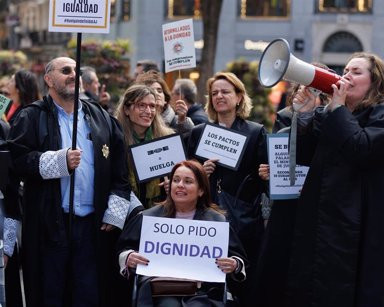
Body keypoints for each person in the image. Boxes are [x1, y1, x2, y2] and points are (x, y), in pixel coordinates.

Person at [282, 52, 384, 307]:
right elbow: (303, 154)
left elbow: (361, 149)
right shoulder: (331, 112)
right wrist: (306, 115)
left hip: (368, 224)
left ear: (375, 81)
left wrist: (338, 110)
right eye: (345, 71)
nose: (347, 76)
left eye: (356, 72)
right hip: (331, 222)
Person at [7, 57, 132, 307]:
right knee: (51, 295)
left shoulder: (100, 117)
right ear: (49, 79)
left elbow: (121, 171)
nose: (74, 75)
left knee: (88, 295)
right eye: (66, 71)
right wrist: (58, 162)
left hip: (92, 228)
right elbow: (17, 161)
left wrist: (114, 212)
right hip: (49, 226)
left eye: (77, 70)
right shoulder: (31, 117)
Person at [186, 72, 267, 306]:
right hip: (207, 218)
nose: (219, 96)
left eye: (225, 92)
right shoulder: (199, 132)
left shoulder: (255, 131)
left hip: (243, 220)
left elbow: (263, 180)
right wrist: (201, 171)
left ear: (239, 97)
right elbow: (187, 173)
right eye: (214, 93)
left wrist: (266, 175)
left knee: (242, 281)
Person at [117, 160, 247, 306]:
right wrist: (128, 257)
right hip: (159, 288)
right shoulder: (148, 218)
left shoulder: (216, 221)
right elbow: (122, 249)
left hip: (204, 289)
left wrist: (234, 264)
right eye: (176, 180)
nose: (180, 185)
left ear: (201, 190)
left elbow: (238, 258)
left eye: (188, 181)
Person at [255, 71, 330, 306]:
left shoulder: (331, 129)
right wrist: (268, 177)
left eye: (312, 91)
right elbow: (273, 183)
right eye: (300, 90)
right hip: (287, 211)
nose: (304, 95)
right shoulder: (283, 129)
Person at [115, 84, 174, 209]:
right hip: (128, 212)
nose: (148, 111)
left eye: (152, 106)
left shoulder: (167, 137)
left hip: (160, 210)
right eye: (141, 105)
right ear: (126, 109)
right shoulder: (116, 139)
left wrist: (173, 183)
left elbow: (179, 175)